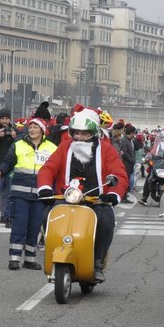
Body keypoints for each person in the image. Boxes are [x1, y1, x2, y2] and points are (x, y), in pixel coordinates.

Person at [37, 109, 129, 275]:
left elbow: (120, 174)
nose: (79, 137)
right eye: (76, 133)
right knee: (47, 215)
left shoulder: (107, 150)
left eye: (85, 133)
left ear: (93, 133)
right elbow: (48, 168)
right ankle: (50, 247)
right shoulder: (65, 147)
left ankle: (98, 260)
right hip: (66, 197)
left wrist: (113, 194)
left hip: (96, 200)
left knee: (106, 219)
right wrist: (44, 188)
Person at [8, 117, 57, 269]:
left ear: (42, 130)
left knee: (35, 227)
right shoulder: (18, 145)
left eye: (36, 127)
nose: (32, 129)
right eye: (30, 127)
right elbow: (8, 162)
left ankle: (30, 258)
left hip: (40, 195)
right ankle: (14, 258)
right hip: (20, 193)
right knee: (19, 225)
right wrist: (0, 171)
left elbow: (57, 168)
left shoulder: (52, 148)